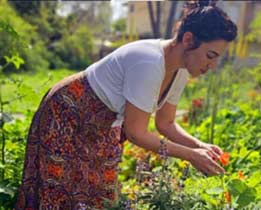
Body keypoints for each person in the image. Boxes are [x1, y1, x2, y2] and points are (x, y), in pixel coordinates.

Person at [15, 5, 237, 210]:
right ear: (188, 40)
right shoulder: (149, 62)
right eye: (210, 56)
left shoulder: (180, 70)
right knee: (57, 192)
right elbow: (136, 132)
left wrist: (201, 147)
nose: (213, 66)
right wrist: (190, 155)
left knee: (99, 198)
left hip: (104, 124)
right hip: (67, 112)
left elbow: (166, 123)